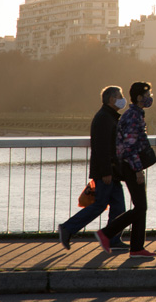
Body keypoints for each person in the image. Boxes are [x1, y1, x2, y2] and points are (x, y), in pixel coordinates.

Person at [57, 85, 127, 251]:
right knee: (100, 204)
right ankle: (68, 228)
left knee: (119, 207)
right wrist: (106, 172)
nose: (123, 99)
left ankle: (113, 239)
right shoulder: (104, 118)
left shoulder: (108, 116)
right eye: (120, 96)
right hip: (107, 172)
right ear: (112, 99)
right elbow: (101, 147)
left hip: (112, 171)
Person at [97, 80, 156, 258]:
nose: (150, 98)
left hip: (132, 166)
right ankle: (107, 233)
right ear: (139, 98)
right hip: (131, 167)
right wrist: (138, 170)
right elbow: (130, 147)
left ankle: (137, 248)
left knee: (140, 207)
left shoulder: (135, 114)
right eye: (147, 96)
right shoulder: (133, 117)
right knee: (140, 207)